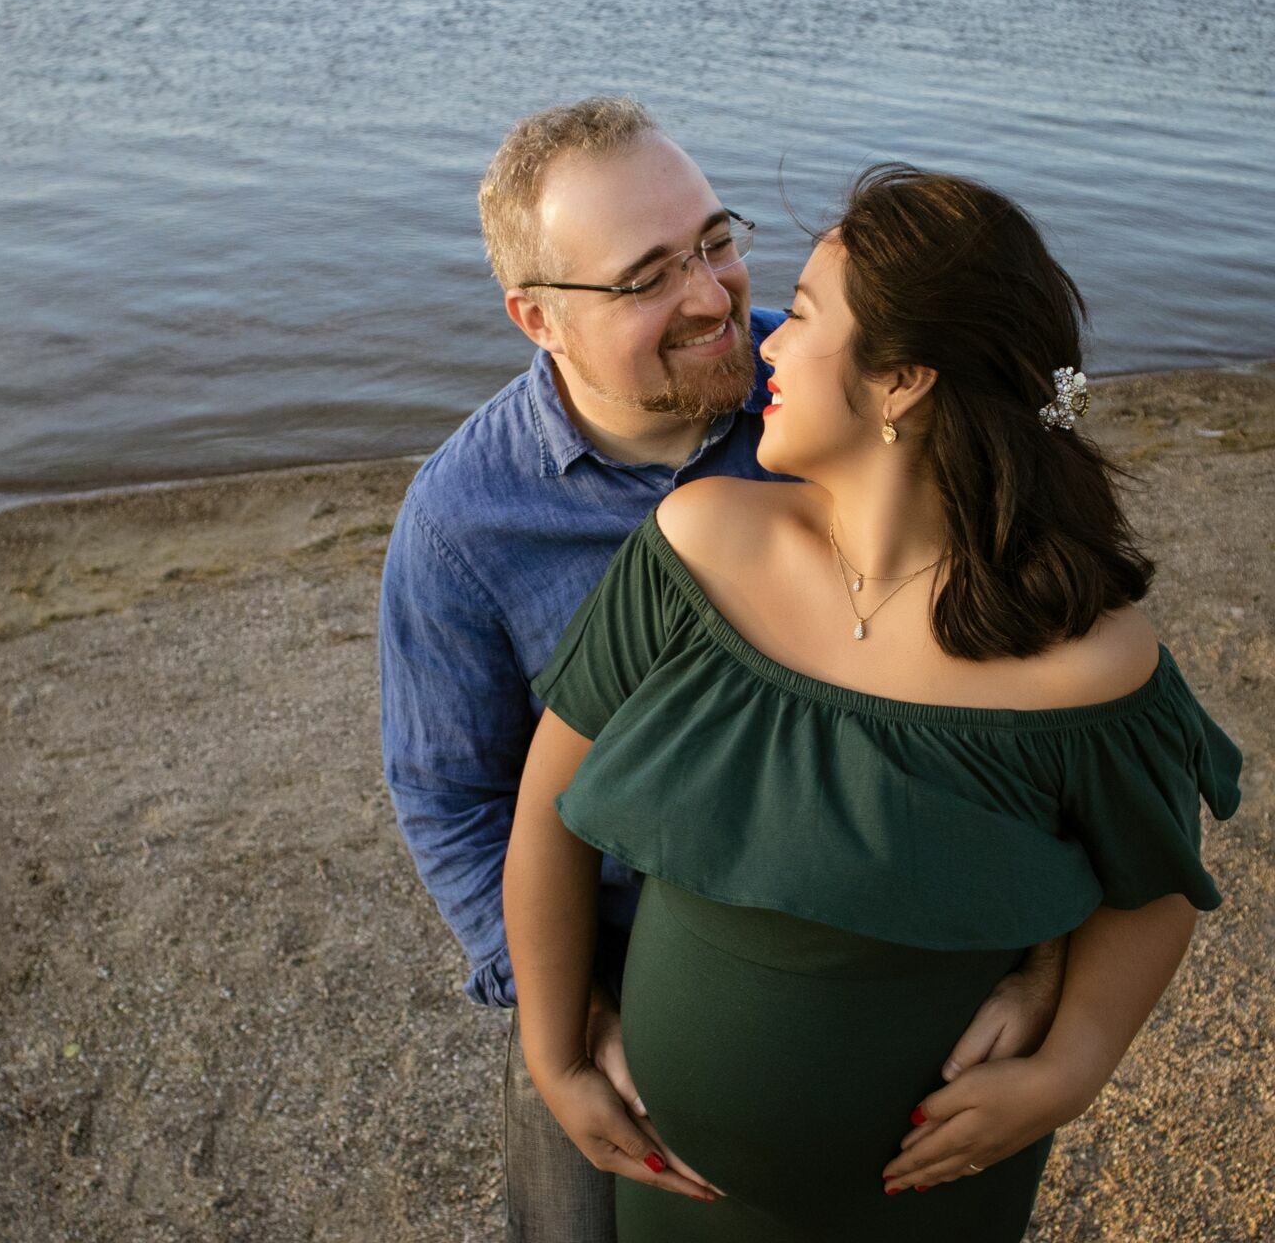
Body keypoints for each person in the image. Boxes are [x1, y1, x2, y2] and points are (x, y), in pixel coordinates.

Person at [503, 162, 1244, 1241]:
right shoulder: (695, 548)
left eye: (801, 315)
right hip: (677, 1194)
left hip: (930, 1206)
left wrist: (1068, 1069)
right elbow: (545, 815)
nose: (765, 343)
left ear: (901, 382)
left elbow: (1155, 888)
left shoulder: (1088, 663)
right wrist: (557, 1051)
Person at [378, 97, 1068, 1241]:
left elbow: (1037, 694)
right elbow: (451, 798)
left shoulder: (836, 406)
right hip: (604, 986)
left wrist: (1044, 970)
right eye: (646, 275)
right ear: (538, 318)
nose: (711, 295)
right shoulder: (462, 526)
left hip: (876, 960)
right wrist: (570, 1019)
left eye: (714, 240)